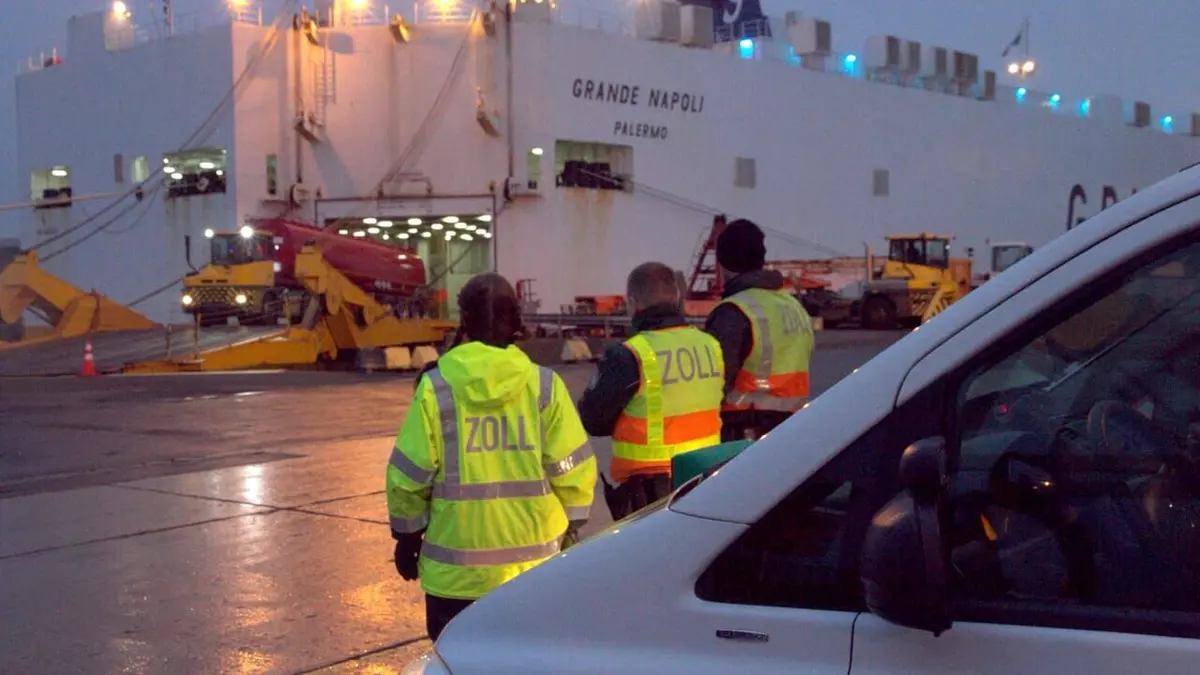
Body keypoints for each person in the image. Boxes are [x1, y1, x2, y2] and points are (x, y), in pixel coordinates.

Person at [386, 272, 597, 641]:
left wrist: (407, 537)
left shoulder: (436, 387)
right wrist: (571, 533)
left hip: (454, 583)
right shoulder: (544, 386)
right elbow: (575, 472)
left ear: (464, 321)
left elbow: (408, 476)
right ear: (515, 322)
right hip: (535, 575)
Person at [577, 262, 725, 520]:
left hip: (650, 495)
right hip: (707, 478)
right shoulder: (710, 345)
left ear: (632, 303)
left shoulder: (630, 354)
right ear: (677, 298)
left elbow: (594, 420)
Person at [704, 218, 815, 441]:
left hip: (743, 434)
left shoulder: (734, 311)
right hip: (791, 430)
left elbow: (713, 384)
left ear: (723, 263)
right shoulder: (793, 305)